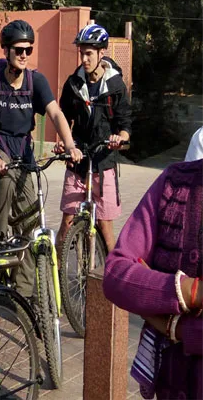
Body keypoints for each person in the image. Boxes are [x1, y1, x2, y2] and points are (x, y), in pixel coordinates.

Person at [0, 20, 81, 298]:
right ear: (6, 50)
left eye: (29, 49)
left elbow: (56, 114)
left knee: (31, 224)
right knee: (0, 224)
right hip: (0, 149)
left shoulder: (35, 81)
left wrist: (71, 146)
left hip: (24, 154)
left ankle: (23, 293)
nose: (24, 54)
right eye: (18, 49)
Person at [102, 158, 202, 399]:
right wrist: (191, 292)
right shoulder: (174, 181)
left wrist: (179, 329)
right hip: (170, 383)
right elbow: (116, 272)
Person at [57, 24, 132, 252]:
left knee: (105, 226)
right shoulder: (73, 84)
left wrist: (120, 138)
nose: (84, 59)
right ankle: (57, 274)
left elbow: (125, 123)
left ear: (102, 53)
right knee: (67, 222)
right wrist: (63, 141)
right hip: (78, 160)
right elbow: (63, 117)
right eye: (82, 53)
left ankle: (111, 279)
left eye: (89, 53)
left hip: (104, 161)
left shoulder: (115, 85)